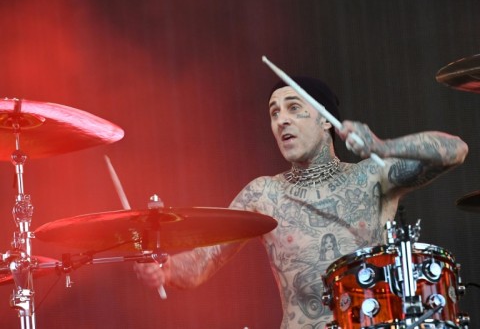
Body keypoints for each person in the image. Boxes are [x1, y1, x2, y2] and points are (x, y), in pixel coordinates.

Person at [134, 76, 468, 329]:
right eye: (274, 112)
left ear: (327, 121)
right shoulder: (263, 194)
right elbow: (204, 262)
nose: (281, 120)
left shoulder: (372, 177)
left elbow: (455, 150)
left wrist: (381, 146)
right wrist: (164, 271)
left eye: (295, 108)